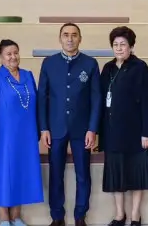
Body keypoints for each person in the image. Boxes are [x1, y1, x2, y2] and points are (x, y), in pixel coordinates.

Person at [38, 23, 101, 226]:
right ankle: (57, 216)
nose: (70, 38)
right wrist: (44, 128)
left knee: (83, 174)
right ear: (60, 38)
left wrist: (92, 128)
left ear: (80, 38)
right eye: (66, 35)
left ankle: (80, 215)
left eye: (74, 35)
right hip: (55, 128)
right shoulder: (49, 63)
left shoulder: (90, 64)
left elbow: (96, 99)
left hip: (82, 129)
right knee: (56, 174)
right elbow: (42, 98)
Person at [0, 39, 45, 226]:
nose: (13, 57)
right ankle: (3, 218)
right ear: (0, 57)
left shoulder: (28, 75)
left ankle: (16, 217)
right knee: (3, 174)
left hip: (26, 136)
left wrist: (38, 132)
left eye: (15, 52)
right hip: (3, 137)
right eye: (8, 54)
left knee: (20, 173)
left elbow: (36, 105)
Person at [99, 26, 148, 226]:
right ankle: (119, 215)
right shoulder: (107, 68)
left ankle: (135, 215)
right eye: (115, 44)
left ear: (131, 47)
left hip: (136, 132)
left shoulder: (141, 68)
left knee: (137, 175)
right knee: (116, 174)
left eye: (123, 44)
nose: (119, 48)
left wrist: (147, 132)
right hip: (112, 132)